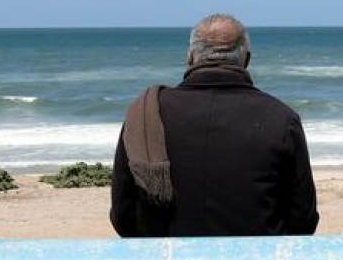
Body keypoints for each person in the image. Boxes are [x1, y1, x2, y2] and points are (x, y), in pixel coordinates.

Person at [110, 14, 319, 237]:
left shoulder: (146, 114)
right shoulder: (282, 118)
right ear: (246, 59)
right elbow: (303, 221)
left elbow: (123, 216)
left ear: (190, 57)